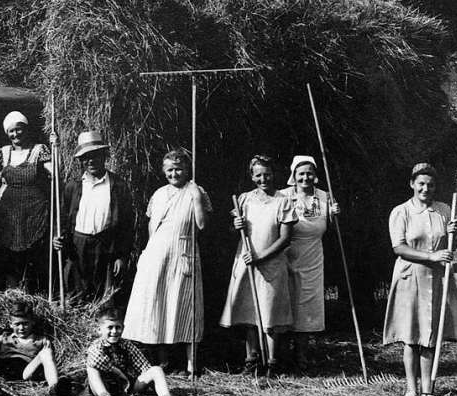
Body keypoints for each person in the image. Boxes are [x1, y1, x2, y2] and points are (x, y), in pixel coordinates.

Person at [382, 163, 457, 396]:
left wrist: (453, 235)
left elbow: (451, 248)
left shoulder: (443, 210)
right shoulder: (401, 212)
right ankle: (411, 389)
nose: (425, 188)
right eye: (421, 183)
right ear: (412, 184)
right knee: (411, 336)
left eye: (430, 185)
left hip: (437, 279)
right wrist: (431, 256)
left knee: (430, 335)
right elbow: (399, 247)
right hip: (410, 277)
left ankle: (427, 389)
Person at [123, 148, 211, 374]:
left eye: (179, 169)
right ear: (164, 171)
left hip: (183, 252)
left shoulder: (196, 191)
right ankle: (164, 361)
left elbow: (201, 225)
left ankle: (191, 365)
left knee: (186, 307)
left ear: (187, 169)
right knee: (161, 304)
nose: (175, 174)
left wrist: (196, 197)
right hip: (158, 255)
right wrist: (148, 253)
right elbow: (153, 227)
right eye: (170, 170)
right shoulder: (160, 194)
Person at [220, 154, 297, 376]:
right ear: (252, 176)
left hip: (271, 265)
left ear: (274, 174)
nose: (263, 179)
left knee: (270, 315)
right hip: (246, 263)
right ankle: (252, 359)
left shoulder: (283, 201)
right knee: (249, 314)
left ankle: (272, 362)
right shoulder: (244, 199)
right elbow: (231, 232)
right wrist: (236, 225)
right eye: (258, 175)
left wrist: (261, 257)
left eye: (267, 174)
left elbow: (285, 239)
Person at [54, 130, 135, 304]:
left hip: (105, 246)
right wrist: (58, 237)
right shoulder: (73, 186)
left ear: (104, 156)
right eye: (86, 157)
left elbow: (127, 226)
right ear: (81, 161)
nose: (91, 161)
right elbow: (63, 218)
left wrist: (122, 256)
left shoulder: (118, 186)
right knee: (76, 296)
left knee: (105, 297)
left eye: (95, 155)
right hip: (78, 246)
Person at [277, 155, 339, 374]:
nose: (305, 177)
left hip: (312, 256)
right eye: (301, 173)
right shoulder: (282, 196)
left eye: (309, 173)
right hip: (285, 254)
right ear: (293, 176)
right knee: (285, 304)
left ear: (315, 175)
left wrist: (334, 216)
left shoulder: (324, 197)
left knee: (307, 306)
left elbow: (330, 229)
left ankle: (301, 356)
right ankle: (282, 356)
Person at [0, 111, 52, 291]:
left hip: (33, 211)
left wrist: (55, 149)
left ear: (25, 130)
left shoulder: (39, 150)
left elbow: (54, 174)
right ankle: (12, 294)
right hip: (8, 210)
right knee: (9, 253)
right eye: (11, 131)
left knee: (32, 253)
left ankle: (30, 293)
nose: (15, 134)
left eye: (19, 130)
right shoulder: (3, 153)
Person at [85, 306, 173, 396]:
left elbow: (143, 365)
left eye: (118, 327)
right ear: (99, 330)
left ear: (123, 328)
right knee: (92, 369)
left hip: (128, 387)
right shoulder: (96, 346)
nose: (114, 331)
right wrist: (119, 373)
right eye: (110, 327)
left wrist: (152, 382)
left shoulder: (126, 345)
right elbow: (96, 362)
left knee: (156, 370)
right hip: (105, 385)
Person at [0, 302, 66, 396]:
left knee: (46, 352)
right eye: (17, 324)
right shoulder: (3, 338)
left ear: (32, 322)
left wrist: (45, 346)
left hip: (26, 373)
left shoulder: (40, 340)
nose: (21, 328)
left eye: (25, 324)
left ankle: (54, 388)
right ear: (11, 324)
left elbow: (47, 360)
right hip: (5, 373)